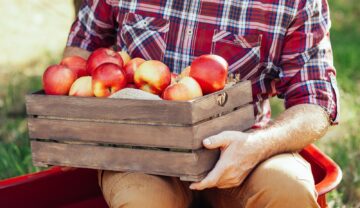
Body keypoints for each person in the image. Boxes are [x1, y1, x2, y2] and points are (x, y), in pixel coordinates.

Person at [64, 0, 339, 207]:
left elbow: (315, 102)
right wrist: (70, 126)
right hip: (143, 150)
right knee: (140, 201)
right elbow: (81, 50)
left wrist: (257, 146)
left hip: (245, 145)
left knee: (287, 188)